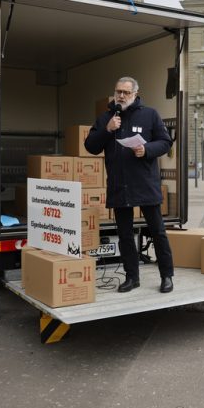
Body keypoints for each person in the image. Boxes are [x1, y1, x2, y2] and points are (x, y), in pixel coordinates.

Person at [84, 77, 175, 293]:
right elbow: (90, 146)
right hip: (119, 186)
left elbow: (165, 142)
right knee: (125, 235)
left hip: (145, 184)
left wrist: (147, 150)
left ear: (135, 93)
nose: (121, 96)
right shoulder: (107, 117)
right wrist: (107, 130)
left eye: (125, 92)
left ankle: (167, 276)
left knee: (158, 231)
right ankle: (131, 277)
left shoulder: (150, 114)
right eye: (118, 92)